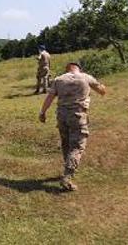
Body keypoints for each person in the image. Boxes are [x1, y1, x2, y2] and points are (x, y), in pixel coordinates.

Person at [38, 62, 106, 191]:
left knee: (66, 144)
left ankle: (67, 168)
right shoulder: (85, 77)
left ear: (67, 69)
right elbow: (102, 91)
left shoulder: (59, 79)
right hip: (77, 116)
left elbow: (50, 97)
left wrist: (42, 112)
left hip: (62, 116)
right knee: (77, 146)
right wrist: (102, 87)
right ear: (79, 68)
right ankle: (67, 177)